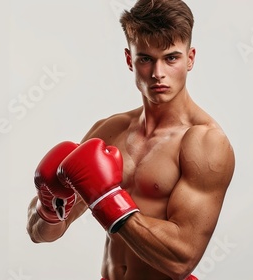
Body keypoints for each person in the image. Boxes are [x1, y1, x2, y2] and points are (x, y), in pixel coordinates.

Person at [26, 0, 235, 279]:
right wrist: (49, 207)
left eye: (171, 58)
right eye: (145, 59)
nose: (158, 73)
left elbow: (182, 259)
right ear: (129, 60)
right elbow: (41, 234)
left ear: (190, 58)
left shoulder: (205, 142)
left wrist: (108, 199)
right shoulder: (111, 131)